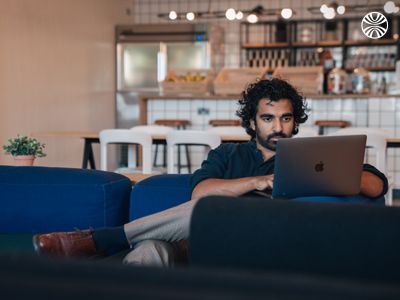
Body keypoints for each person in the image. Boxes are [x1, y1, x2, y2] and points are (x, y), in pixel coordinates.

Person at [33, 78, 388, 266]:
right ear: (252, 121)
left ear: (295, 122)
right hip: (197, 245)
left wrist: (323, 174)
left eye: (286, 117)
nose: (278, 126)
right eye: (268, 118)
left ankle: (100, 240)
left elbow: (376, 186)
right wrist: (260, 181)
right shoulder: (228, 153)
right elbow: (200, 194)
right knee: (148, 253)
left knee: (216, 207)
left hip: (250, 247)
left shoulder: (312, 156)